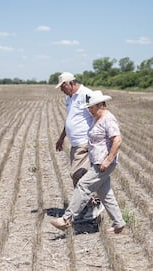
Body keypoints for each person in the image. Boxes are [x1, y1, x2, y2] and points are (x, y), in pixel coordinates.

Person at [51, 90, 126, 234]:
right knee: (105, 193)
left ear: (100, 105)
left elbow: (117, 139)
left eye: (91, 107)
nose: (89, 110)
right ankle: (119, 224)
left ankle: (66, 219)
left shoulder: (108, 119)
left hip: (103, 164)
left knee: (83, 185)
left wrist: (108, 160)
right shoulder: (96, 118)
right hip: (96, 161)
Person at [55, 72, 104, 220]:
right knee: (78, 176)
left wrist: (96, 138)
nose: (61, 89)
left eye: (63, 86)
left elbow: (99, 114)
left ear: (70, 83)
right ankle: (88, 205)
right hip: (75, 144)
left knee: (79, 174)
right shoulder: (69, 98)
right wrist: (61, 138)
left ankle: (95, 203)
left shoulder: (86, 94)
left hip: (85, 142)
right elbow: (70, 120)